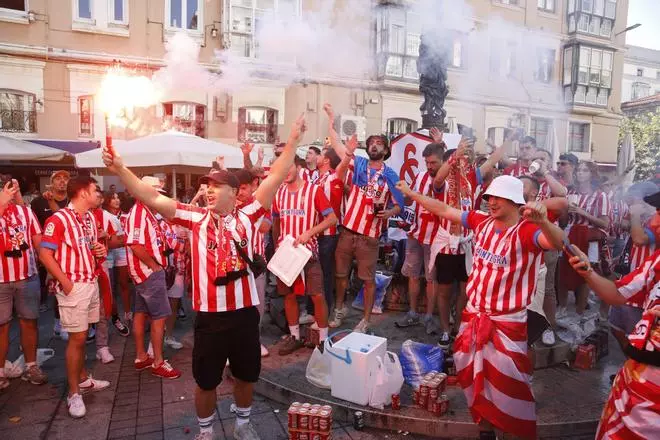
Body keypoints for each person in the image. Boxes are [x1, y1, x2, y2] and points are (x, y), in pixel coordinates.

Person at [103, 114, 307, 440]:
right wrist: (122, 170)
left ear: (234, 191)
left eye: (215, 186)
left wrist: (294, 139)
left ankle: (242, 424)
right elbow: (152, 197)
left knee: (246, 376)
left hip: (242, 316)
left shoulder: (251, 214)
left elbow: (278, 174)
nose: (208, 191)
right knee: (205, 381)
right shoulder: (195, 218)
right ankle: (206, 431)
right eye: (206, 186)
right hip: (209, 318)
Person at [396, 175, 565, 439]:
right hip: (474, 318)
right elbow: (443, 209)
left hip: (506, 324)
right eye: (489, 198)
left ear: (514, 201)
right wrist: (412, 194)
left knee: (507, 389)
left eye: (498, 198)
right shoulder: (481, 221)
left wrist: (543, 221)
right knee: (475, 381)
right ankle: (485, 432)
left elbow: (557, 242)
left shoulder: (527, 231)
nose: (491, 202)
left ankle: (509, 431)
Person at [567, 190, 659, 440]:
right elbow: (616, 294)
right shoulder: (657, 262)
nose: (657, 220)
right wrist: (588, 273)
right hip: (636, 388)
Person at [324, 103, 405, 333]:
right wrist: (331, 121)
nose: (374, 146)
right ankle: (340, 309)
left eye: (379, 143)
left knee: (367, 280)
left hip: (370, 236)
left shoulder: (391, 175)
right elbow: (339, 147)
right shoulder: (358, 164)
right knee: (340, 275)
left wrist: (388, 212)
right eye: (371, 143)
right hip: (348, 231)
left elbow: (399, 206)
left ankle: (366, 320)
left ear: (386, 150)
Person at [424, 130, 506, 347]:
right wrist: (454, 155)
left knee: (465, 290)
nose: (464, 162)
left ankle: (459, 327)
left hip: (467, 244)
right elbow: (439, 176)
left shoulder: (471, 177)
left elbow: (492, 161)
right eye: (460, 159)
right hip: (447, 245)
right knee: (444, 290)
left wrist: (509, 140)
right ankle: (444, 329)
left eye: (466, 159)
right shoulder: (440, 182)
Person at [39, 176, 111, 418]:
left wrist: (100, 250)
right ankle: (73, 393)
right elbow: (45, 254)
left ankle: (82, 379)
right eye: (95, 190)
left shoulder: (89, 217)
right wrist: (66, 282)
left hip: (89, 282)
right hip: (75, 286)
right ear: (82, 193)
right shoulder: (59, 218)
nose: (99, 194)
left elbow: (89, 247)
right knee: (77, 338)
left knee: (82, 335)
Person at [272, 155, 337, 355]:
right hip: (286, 254)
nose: (285, 172)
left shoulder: (313, 190)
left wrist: (309, 233)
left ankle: (324, 340)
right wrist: (277, 245)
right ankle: (294, 337)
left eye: (288, 167)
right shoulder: (278, 193)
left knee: (317, 295)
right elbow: (275, 221)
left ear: (298, 166)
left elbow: (332, 218)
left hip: (308, 252)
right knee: (289, 295)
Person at [124, 176, 181, 379]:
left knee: (140, 313)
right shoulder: (140, 212)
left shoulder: (145, 212)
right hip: (148, 274)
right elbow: (135, 244)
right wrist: (154, 266)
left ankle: (141, 357)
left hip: (143, 274)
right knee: (159, 317)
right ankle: (157, 361)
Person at [0, 179, 48, 390]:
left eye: (11, 188)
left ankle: (31, 366)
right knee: (1, 326)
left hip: (27, 275)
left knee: (30, 322)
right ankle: (0, 370)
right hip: (0, 279)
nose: (10, 192)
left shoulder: (25, 212)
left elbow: (38, 241)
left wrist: (51, 268)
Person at [395, 142, 446, 337]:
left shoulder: (447, 181)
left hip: (436, 237)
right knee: (413, 275)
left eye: (433, 162)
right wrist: (405, 192)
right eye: (427, 162)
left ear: (442, 161)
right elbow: (408, 202)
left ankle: (429, 317)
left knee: (432, 279)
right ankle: (413, 313)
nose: (430, 166)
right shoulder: (420, 177)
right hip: (416, 234)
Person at [609, 181, 658, 353]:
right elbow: (627, 234)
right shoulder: (642, 218)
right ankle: (629, 364)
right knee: (615, 325)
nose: (630, 202)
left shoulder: (656, 221)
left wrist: (635, 215)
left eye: (634, 199)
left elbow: (640, 239)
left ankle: (636, 368)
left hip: (642, 286)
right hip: (627, 279)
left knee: (634, 331)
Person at [558, 161, 610, 317]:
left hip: (588, 236)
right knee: (562, 270)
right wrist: (565, 212)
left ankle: (580, 310)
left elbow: (605, 223)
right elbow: (563, 222)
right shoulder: (570, 192)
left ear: (592, 174)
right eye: (579, 170)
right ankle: (562, 307)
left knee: (585, 272)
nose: (580, 173)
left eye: (585, 170)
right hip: (569, 232)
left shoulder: (601, 196)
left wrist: (582, 212)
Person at [234, 169, 272, 357]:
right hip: (233, 267)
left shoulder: (260, 204)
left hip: (255, 266)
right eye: (237, 189)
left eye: (243, 188)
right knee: (235, 308)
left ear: (253, 186)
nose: (240, 193)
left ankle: (254, 341)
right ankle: (232, 347)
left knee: (257, 306)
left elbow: (265, 227)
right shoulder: (228, 206)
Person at [31, 170, 70, 336]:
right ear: (51, 182)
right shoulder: (39, 202)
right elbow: (33, 227)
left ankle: (61, 321)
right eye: (58, 179)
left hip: (67, 250)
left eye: (65, 179)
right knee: (48, 286)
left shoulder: (72, 201)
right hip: (46, 250)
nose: (62, 182)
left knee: (63, 286)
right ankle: (50, 322)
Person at [91, 187, 126, 364]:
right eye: (93, 194)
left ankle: (102, 346)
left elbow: (119, 241)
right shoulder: (70, 216)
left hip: (103, 267)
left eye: (98, 195)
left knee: (104, 306)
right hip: (78, 272)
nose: (97, 198)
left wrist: (106, 237)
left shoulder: (108, 217)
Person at [314, 147, 344, 312]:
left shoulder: (333, 178)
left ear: (326, 160)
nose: (317, 157)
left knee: (325, 273)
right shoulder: (318, 177)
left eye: (320, 154)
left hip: (328, 234)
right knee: (316, 273)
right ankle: (315, 310)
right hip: (316, 233)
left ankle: (325, 309)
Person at [102, 192, 132, 333]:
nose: (116, 200)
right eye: (112, 197)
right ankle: (115, 317)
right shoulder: (102, 215)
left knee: (124, 283)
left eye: (117, 197)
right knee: (110, 286)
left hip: (122, 249)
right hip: (108, 250)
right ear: (106, 200)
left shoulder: (126, 215)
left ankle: (128, 312)